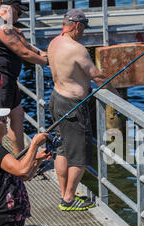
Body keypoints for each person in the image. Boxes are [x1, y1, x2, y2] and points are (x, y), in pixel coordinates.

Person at [47, 9, 118, 211]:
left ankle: (64, 192)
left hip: (56, 99)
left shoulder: (54, 43)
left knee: (61, 149)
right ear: (77, 26)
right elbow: (96, 76)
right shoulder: (77, 49)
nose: (84, 32)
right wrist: (114, 93)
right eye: (84, 28)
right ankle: (68, 199)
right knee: (80, 155)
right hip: (72, 105)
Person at [0, 0, 48, 155]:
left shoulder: (4, 25)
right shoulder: (2, 27)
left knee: (17, 117)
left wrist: (39, 53)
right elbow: (23, 53)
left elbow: (25, 46)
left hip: (9, 79)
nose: (19, 17)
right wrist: (46, 62)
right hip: (0, 79)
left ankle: (19, 157)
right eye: (18, 13)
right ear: (10, 9)